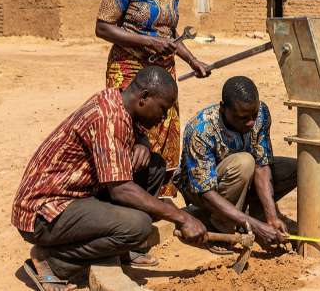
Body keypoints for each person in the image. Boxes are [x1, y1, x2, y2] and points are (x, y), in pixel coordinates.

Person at [12, 66, 207, 291]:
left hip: (77, 194)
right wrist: (182, 218)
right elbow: (121, 189)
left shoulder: (119, 100)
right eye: (163, 109)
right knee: (138, 226)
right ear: (144, 97)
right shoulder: (110, 117)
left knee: (153, 167)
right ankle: (53, 262)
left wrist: (141, 143)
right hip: (46, 211)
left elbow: (134, 134)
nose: (163, 118)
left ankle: (119, 248)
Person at [96, 0, 210, 196]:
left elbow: (170, 35)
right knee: (130, 129)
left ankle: (158, 193)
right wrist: (147, 41)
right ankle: (125, 191)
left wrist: (193, 61)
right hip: (129, 69)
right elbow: (103, 27)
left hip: (164, 71)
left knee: (164, 126)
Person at [174, 76, 297, 251]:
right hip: (200, 189)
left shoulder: (260, 113)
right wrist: (254, 226)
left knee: (294, 169)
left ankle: (255, 214)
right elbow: (205, 190)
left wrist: (271, 216)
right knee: (245, 162)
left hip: (239, 177)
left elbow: (262, 165)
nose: (251, 122)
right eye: (243, 117)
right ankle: (220, 225)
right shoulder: (201, 129)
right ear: (224, 109)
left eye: (254, 115)